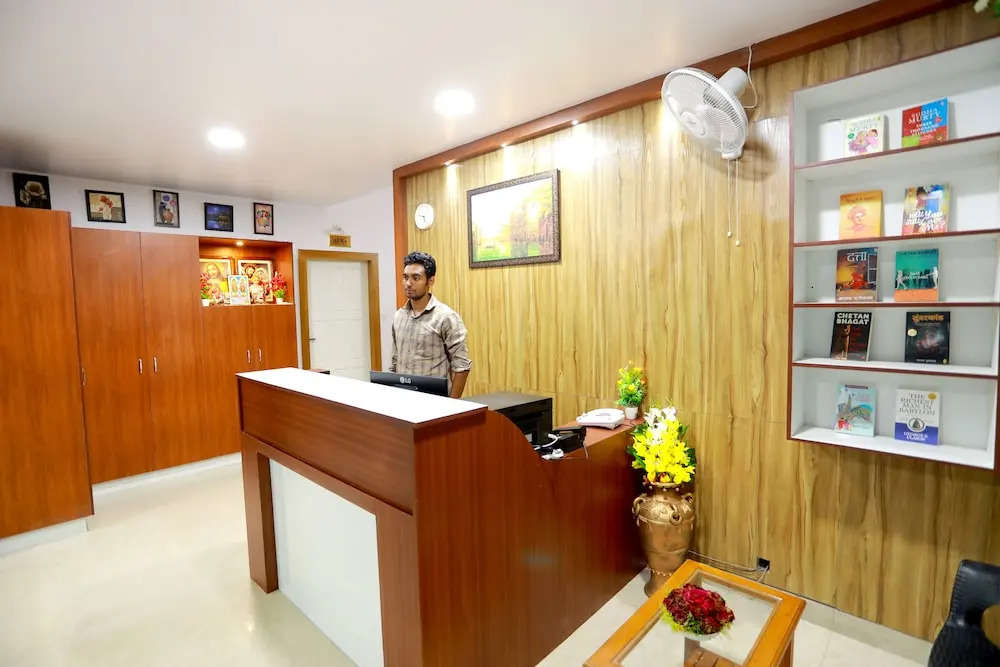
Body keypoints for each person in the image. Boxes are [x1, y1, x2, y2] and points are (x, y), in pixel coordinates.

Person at [389, 251, 471, 398]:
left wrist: (452, 405)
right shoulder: (399, 316)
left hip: (436, 402)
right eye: (405, 277)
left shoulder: (446, 317)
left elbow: (462, 366)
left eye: (416, 278)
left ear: (430, 281)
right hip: (403, 400)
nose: (408, 283)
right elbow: (395, 363)